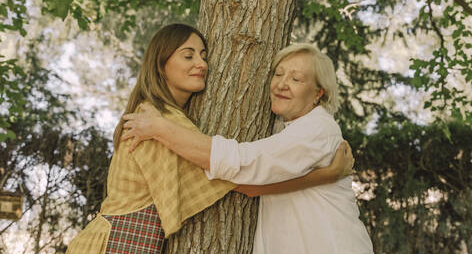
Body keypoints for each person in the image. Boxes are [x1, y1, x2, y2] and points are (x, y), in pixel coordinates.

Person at [67, 25, 353, 254]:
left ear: (319, 93)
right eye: (188, 55)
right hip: (116, 244)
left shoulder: (159, 120)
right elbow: (239, 180)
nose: (202, 64)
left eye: (203, 55)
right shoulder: (156, 119)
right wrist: (326, 175)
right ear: (160, 63)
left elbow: (244, 175)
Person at [122, 43, 374, 254]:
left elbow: (244, 163)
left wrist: (159, 129)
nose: (281, 84)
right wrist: (324, 175)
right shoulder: (283, 130)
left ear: (318, 93)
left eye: (296, 79)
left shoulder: (317, 128)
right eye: (278, 74)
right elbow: (250, 186)